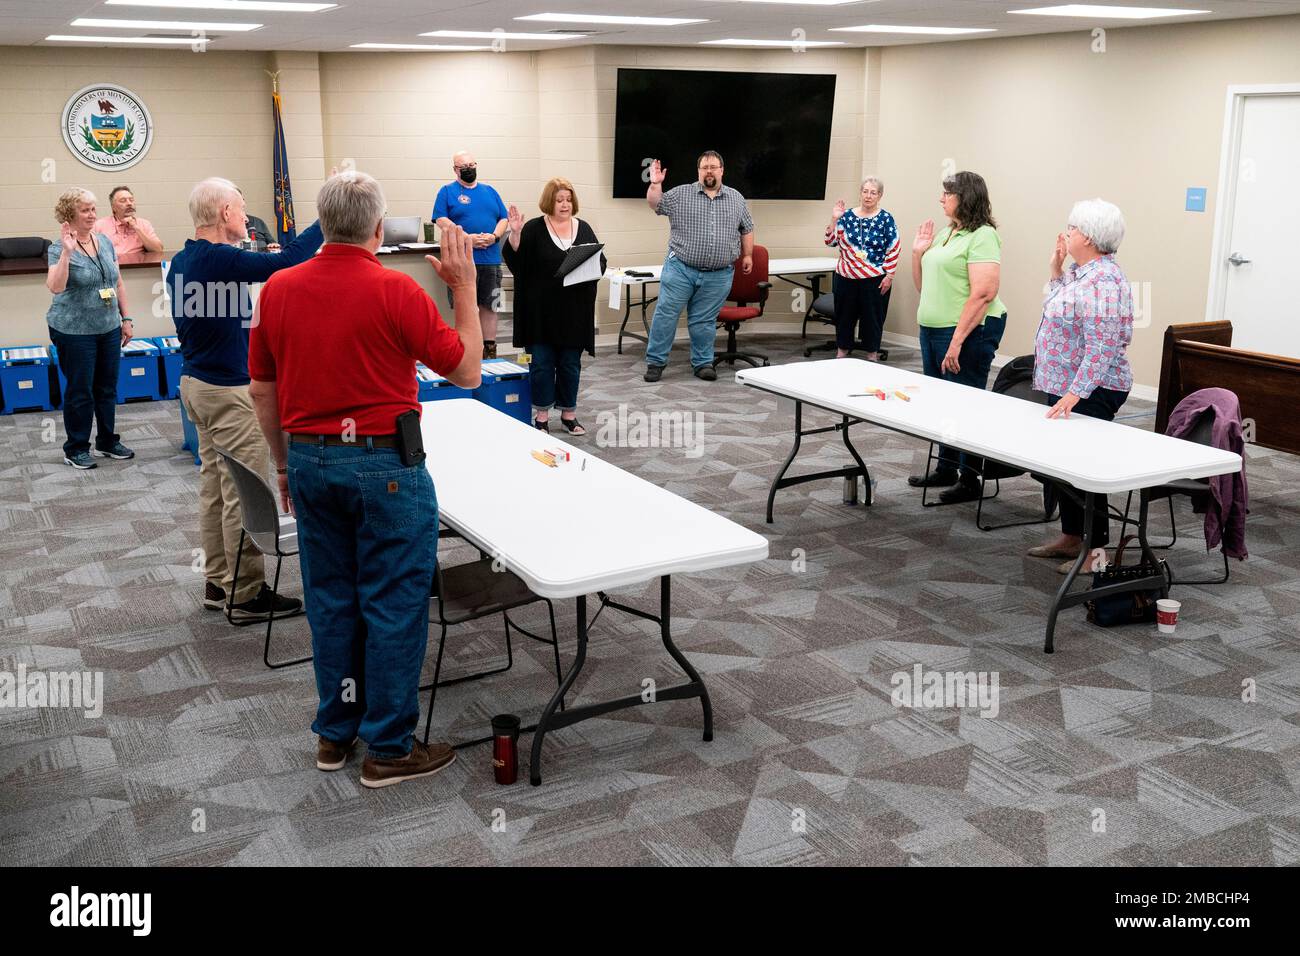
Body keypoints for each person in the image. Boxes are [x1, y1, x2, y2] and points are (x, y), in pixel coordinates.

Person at [248, 171, 483, 787]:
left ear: (322, 225)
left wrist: (280, 465)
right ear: (379, 229)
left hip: (308, 461)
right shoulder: (396, 289)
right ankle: (389, 748)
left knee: (331, 601)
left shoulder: (276, 289)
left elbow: (261, 390)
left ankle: (335, 733)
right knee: (394, 604)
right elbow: (467, 372)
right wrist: (463, 287)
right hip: (385, 468)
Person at [169, 177, 323, 620]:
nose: (246, 215)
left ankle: (219, 583)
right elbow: (291, 260)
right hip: (228, 393)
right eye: (241, 207)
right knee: (245, 492)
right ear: (223, 214)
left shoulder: (186, 259)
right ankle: (246, 592)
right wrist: (326, 219)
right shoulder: (219, 259)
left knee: (215, 488)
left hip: (196, 386)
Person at [1028, 199, 1134, 573]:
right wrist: (1056, 268)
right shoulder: (1082, 272)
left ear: (1087, 237)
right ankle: (1073, 538)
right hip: (1069, 385)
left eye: (1071, 228)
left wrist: (1077, 393)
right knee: (1065, 464)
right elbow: (1059, 306)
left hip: (1093, 389)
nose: (1066, 233)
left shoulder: (1105, 280)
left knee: (1087, 468)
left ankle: (1097, 552)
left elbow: (1104, 344)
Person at [907, 170, 1008, 504]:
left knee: (966, 403)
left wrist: (957, 342)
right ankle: (947, 467)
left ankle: (970, 478)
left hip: (968, 332)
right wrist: (918, 253)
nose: (941, 199)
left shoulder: (983, 235)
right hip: (933, 329)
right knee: (942, 401)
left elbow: (983, 293)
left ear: (964, 197)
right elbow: (925, 287)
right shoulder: (948, 233)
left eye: (947, 194)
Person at [502, 177, 606, 435]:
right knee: (541, 363)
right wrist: (515, 233)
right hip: (539, 313)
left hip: (573, 312)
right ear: (550, 201)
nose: (564, 204)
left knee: (571, 363)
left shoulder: (583, 228)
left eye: (568, 199)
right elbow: (517, 261)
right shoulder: (535, 228)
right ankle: (542, 416)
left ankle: (569, 414)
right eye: (559, 200)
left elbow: (599, 262)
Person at [643, 151, 755, 382]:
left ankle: (703, 363)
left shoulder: (736, 198)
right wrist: (655, 185)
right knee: (666, 315)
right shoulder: (681, 194)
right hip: (680, 269)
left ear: (722, 170)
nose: (709, 171)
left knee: (704, 321)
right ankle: (655, 363)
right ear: (699, 171)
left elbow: (747, 228)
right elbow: (656, 204)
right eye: (705, 167)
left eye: (714, 167)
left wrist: (748, 255)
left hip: (719, 274)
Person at [46, 188, 135, 469]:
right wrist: (67, 254)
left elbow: (117, 282)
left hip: (107, 326)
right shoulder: (58, 248)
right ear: (69, 215)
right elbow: (55, 287)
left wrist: (127, 318)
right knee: (81, 390)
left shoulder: (105, 242)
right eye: (85, 210)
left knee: (106, 388)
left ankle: (107, 441)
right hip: (73, 330)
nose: (92, 214)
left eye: (93, 209)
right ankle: (75, 448)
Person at [432, 151, 508, 358]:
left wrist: (494, 236)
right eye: (463, 166)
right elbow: (440, 219)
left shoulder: (490, 191)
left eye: (471, 165)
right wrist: (466, 238)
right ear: (455, 170)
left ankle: (489, 350)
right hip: (462, 261)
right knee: (466, 307)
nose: (468, 169)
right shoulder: (447, 191)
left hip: (491, 260)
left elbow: (504, 218)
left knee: (491, 305)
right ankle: (468, 351)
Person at [824, 177, 899, 360]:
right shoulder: (847, 216)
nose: (868, 196)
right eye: (865, 191)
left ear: (879, 195)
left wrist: (889, 275)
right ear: (860, 193)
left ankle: (871, 354)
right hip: (845, 276)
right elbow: (830, 242)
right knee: (844, 317)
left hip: (874, 278)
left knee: (872, 319)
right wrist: (834, 219)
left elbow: (894, 247)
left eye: (873, 192)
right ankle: (842, 351)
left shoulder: (886, 219)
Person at [94, 185, 163, 256]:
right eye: (123, 201)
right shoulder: (99, 225)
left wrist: (136, 227)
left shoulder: (144, 224)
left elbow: (158, 250)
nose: (129, 203)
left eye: (131, 200)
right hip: (110, 265)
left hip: (137, 265)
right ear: (113, 207)